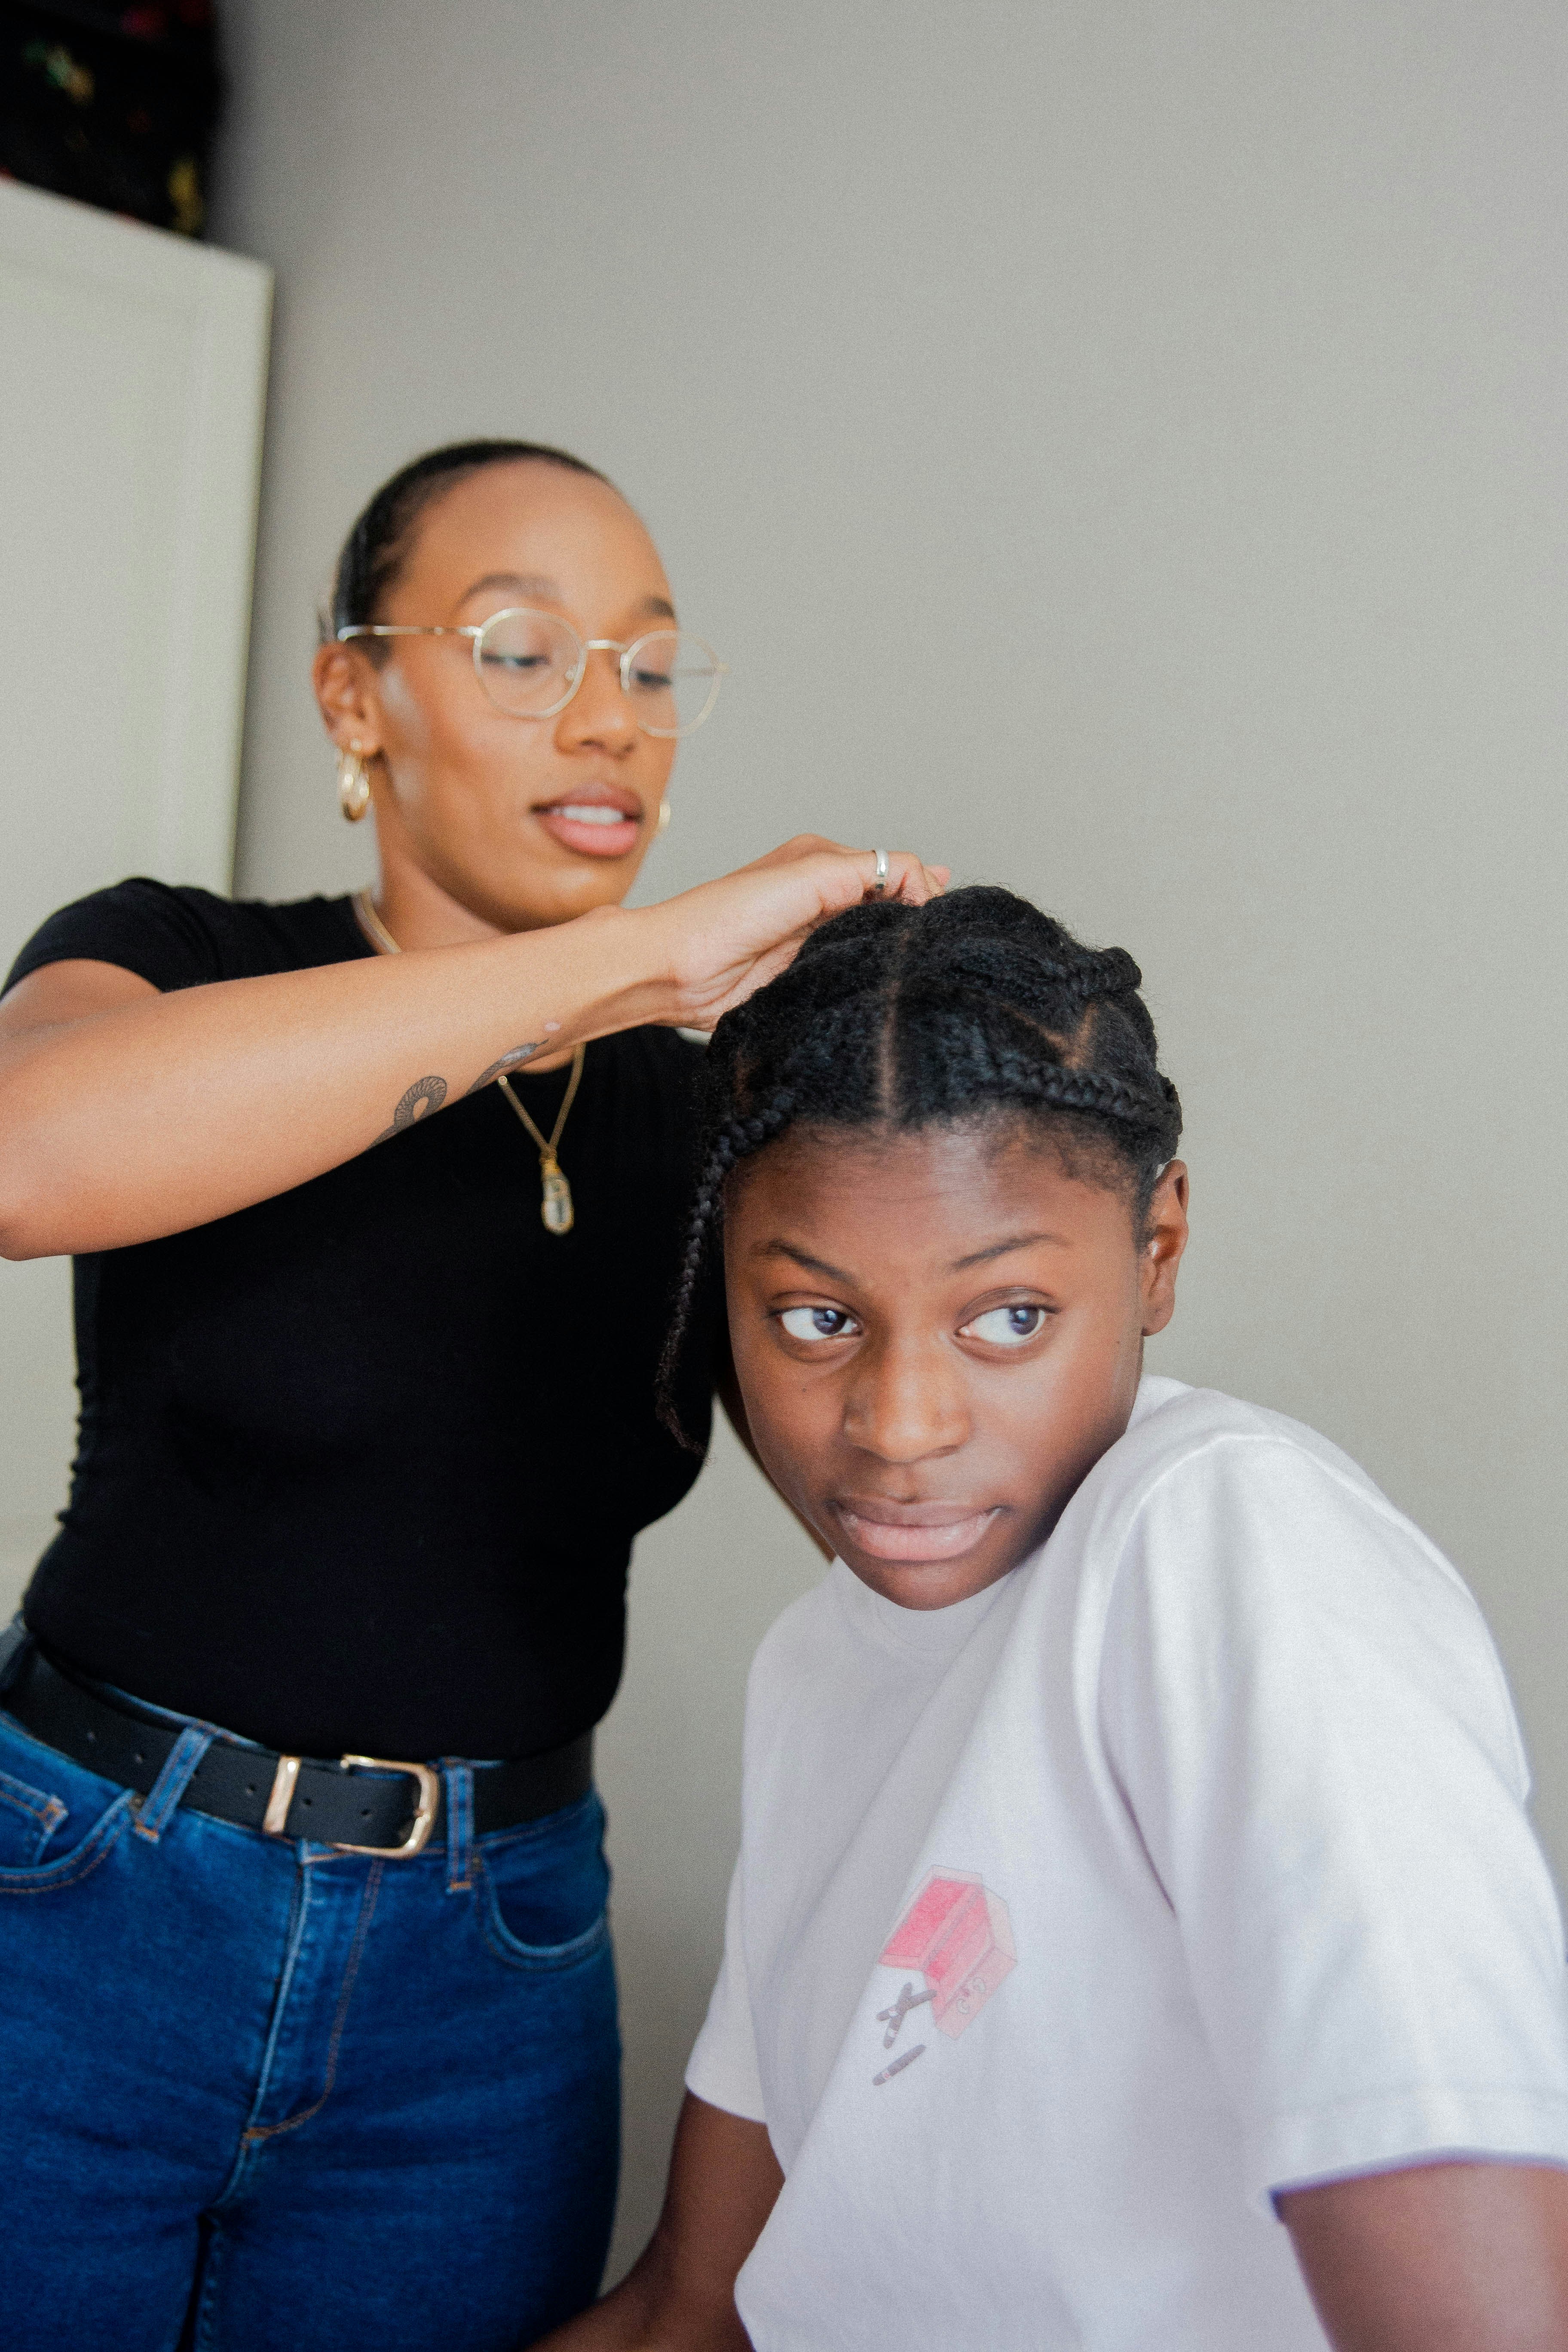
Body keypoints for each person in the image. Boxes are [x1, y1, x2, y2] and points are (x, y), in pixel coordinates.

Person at [0, 436, 943, 2352]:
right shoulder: (177, 957)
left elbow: (899, 1486)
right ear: (357, 693)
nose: (607, 723)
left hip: (488, 1987)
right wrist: (632, 963)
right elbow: (27, 1153)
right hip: (84, 1908)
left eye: (651, 666)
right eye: (523, 650)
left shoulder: (710, 1110)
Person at [539, 885, 1568, 2352]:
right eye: (816, 1318)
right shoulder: (819, 1667)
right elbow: (692, 2310)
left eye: (1008, 1315)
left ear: (1157, 1253)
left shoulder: (1227, 1545)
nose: (901, 1426)